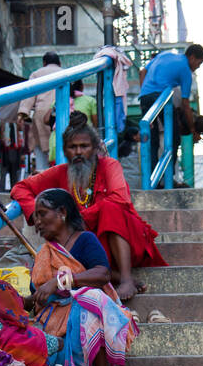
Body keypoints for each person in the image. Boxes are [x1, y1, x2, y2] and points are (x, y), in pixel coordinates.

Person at [11, 114, 166, 301]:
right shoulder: (60, 172)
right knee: (66, 232)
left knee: (110, 208)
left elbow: (120, 198)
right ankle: (113, 276)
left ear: (94, 149)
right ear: (65, 151)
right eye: (72, 147)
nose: (78, 152)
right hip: (88, 241)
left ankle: (125, 279)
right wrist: (36, 215)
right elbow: (20, 188)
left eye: (84, 147)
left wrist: (77, 218)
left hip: (123, 236)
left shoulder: (109, 165)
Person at [29, 187, 138, 366]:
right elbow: (37, 291)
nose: (37, 222)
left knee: (88, 299)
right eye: (35, 216)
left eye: (42, 214)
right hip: (53, 315)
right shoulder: (45, 253)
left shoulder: (85, 239)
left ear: (62, 212)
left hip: (88, 308)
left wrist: (60, 282)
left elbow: (102, 274)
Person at [138, 43, 203, 175]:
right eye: (199, 63)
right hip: (161, 98)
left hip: (145, 98)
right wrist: (193, 130)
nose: (197, 67)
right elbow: (185, 104)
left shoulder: (165, 54)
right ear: (192, 58)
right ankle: (169, 176)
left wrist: (144, 93)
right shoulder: (186, 71)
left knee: (152, 141)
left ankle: (153, 179)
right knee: (174, 137)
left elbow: (142, 72)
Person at [18, 51, 62, 173]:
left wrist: (23, 112)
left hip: (41, 112)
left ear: (44, 63)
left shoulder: (37, 74)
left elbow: (29, 94)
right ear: (59, 63)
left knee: (40, 147)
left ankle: (42, 174)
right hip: (61, 111)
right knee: (59, 146)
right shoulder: (65, 73)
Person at [47, 79, 98, 163]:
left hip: (56, 141)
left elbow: (46, 120)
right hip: (83, 140)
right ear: (82, 87)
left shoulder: (59, 101)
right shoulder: (89, 101)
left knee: (58, 171)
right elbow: (96, 123)